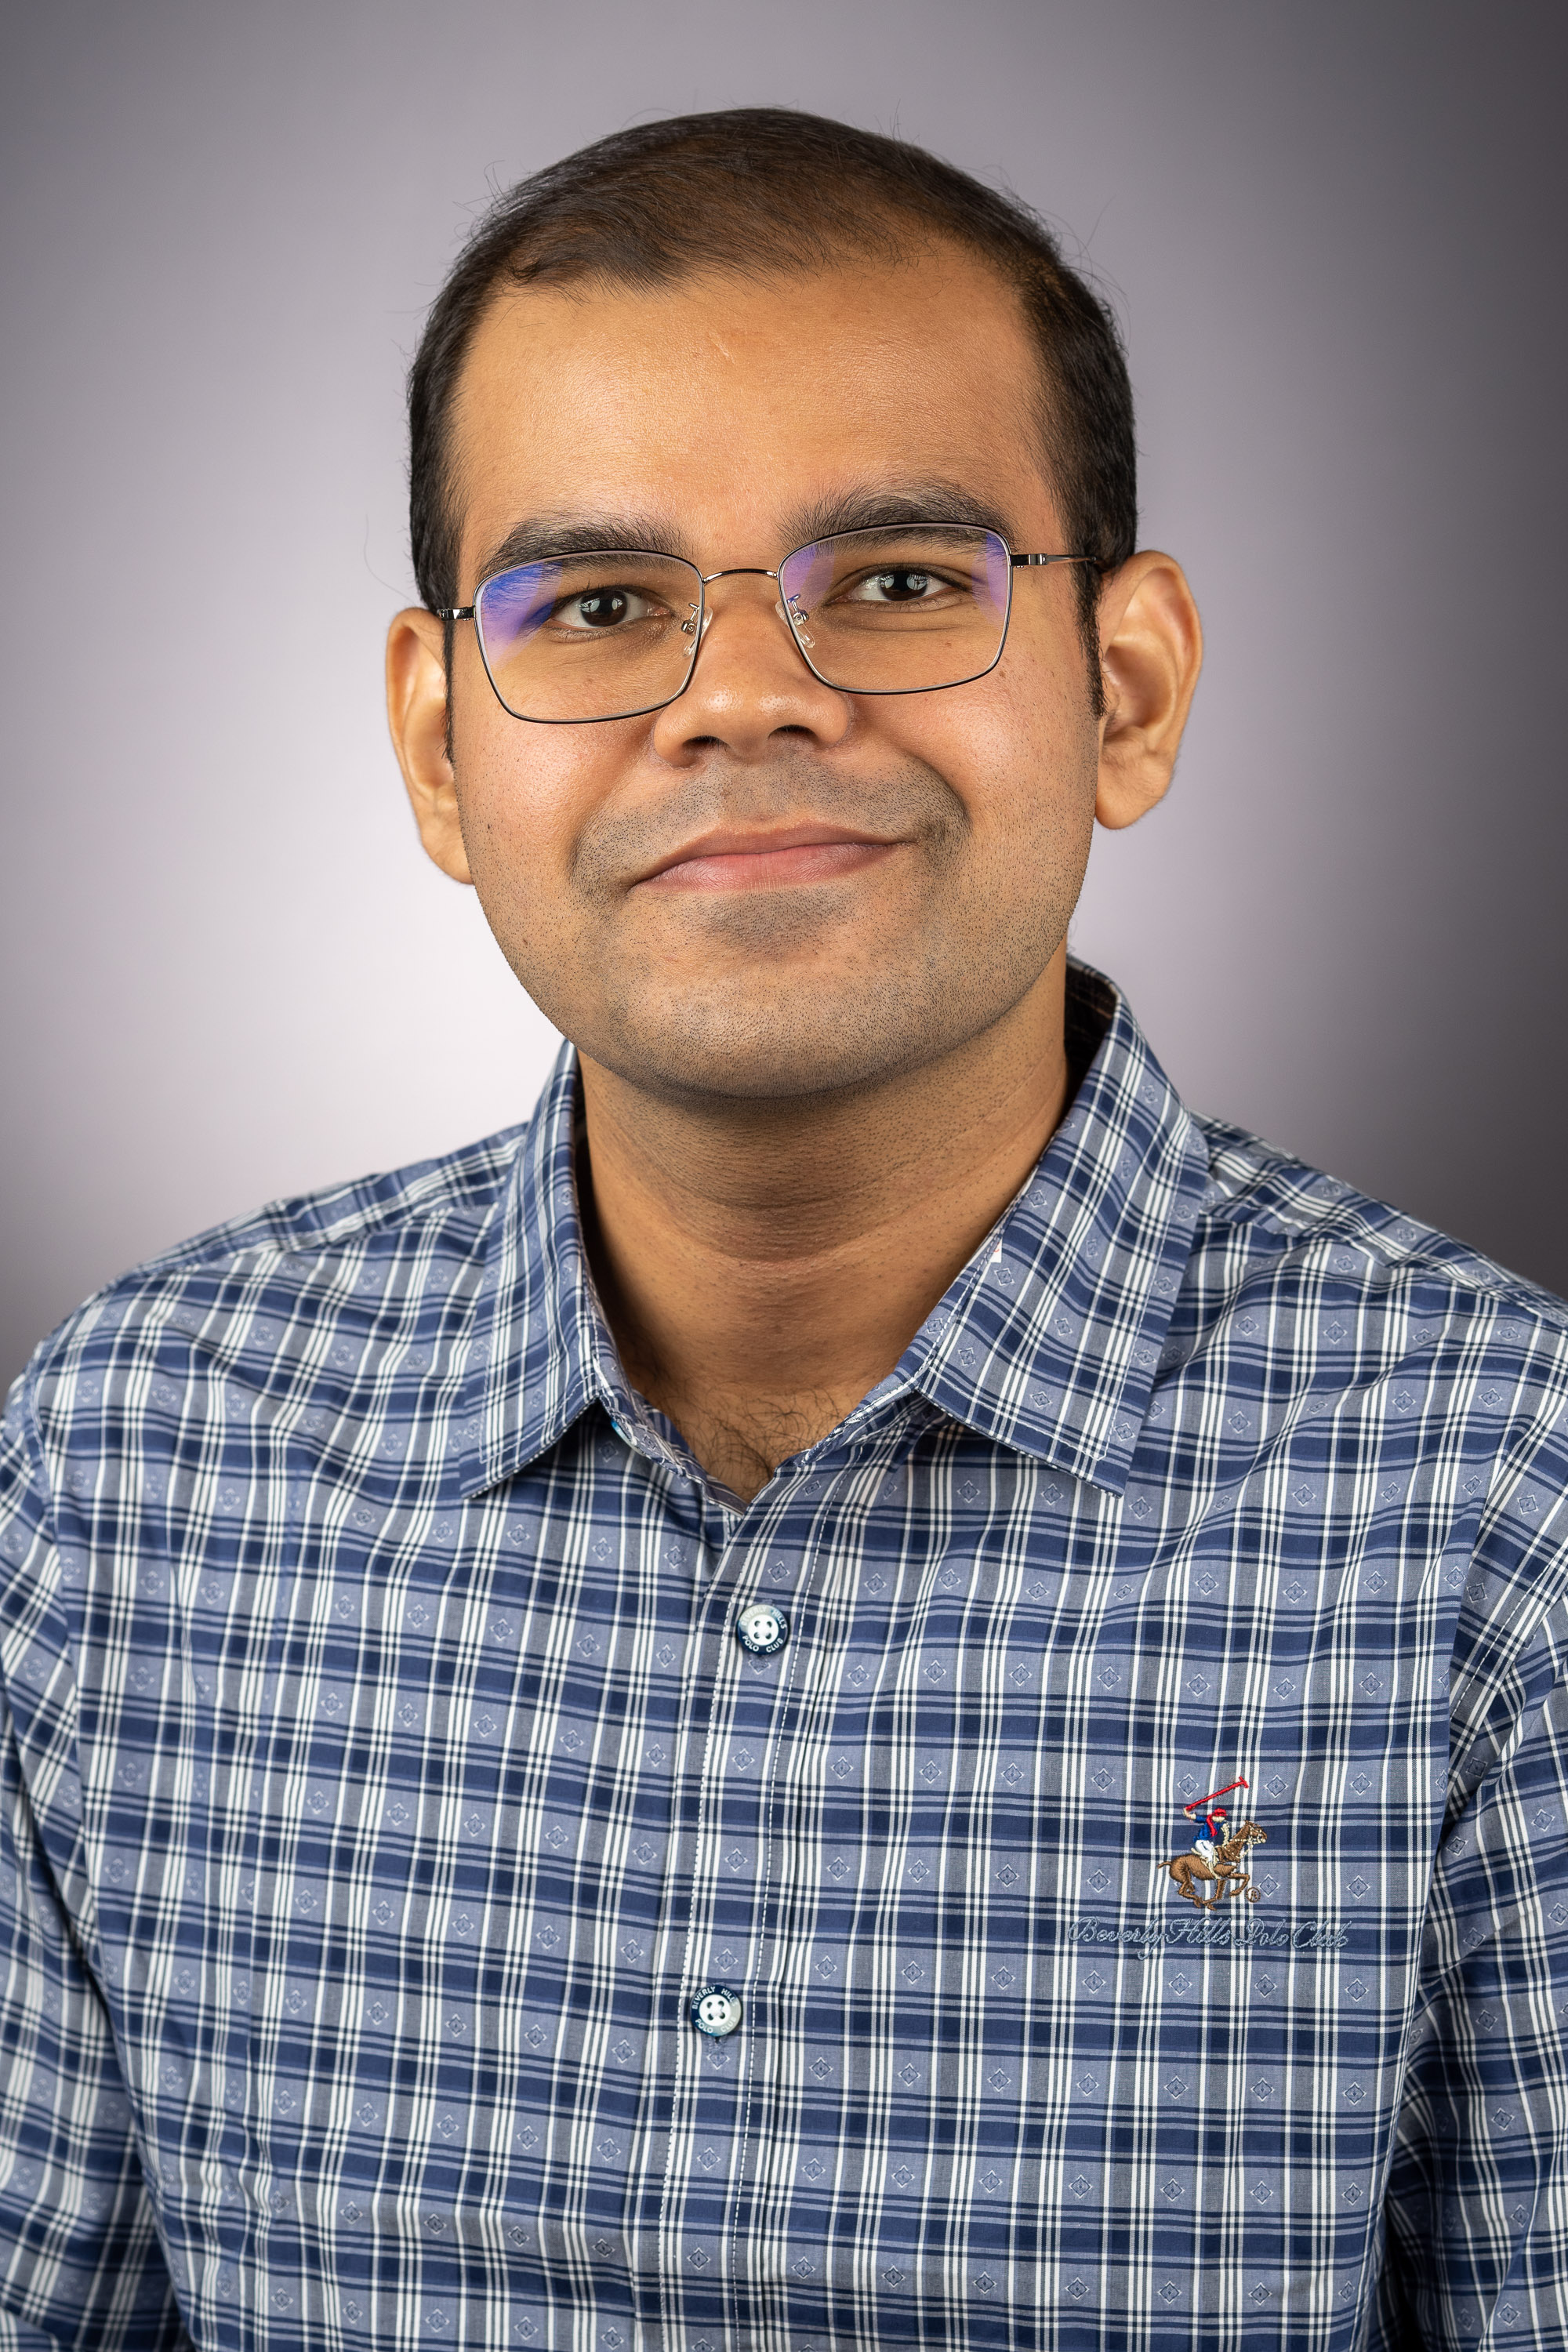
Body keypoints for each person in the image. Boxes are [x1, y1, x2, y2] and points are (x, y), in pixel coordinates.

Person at [0, 103, 1564, 2352]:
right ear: (444, 748)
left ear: (1125, 689)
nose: (741, 694)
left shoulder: (1505, 1502)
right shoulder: (125, 1475)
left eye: (902, 584)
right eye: (603, 604)